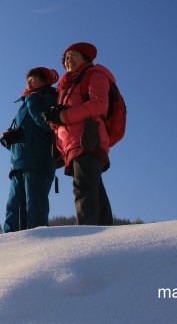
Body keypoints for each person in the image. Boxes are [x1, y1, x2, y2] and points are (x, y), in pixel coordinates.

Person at [44, 42, 114, 226]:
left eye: (73, 55)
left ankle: (87, 235)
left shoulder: (94, 74)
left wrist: (63, 116)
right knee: (93, 187)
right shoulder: (66, 86)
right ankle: (107, 234)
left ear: (85, 57)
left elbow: (100, 104)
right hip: (72, 143)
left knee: (84, 187)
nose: (69, 60)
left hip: (88, 139)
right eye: (66, 58)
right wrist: (55, 121)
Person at [2, 67, 60, 232]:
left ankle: (37, 246)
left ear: (45, 81)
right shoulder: (25, 104)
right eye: (28, 80)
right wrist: (11, 137)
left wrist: (33, 99)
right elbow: (28, 132)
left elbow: (45, 123)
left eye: (33, 79)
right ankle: (8, 247)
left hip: (39, 161)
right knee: (13, 209)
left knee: (34, 207)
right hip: (19, 162)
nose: (28, 83)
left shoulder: (48, 97)